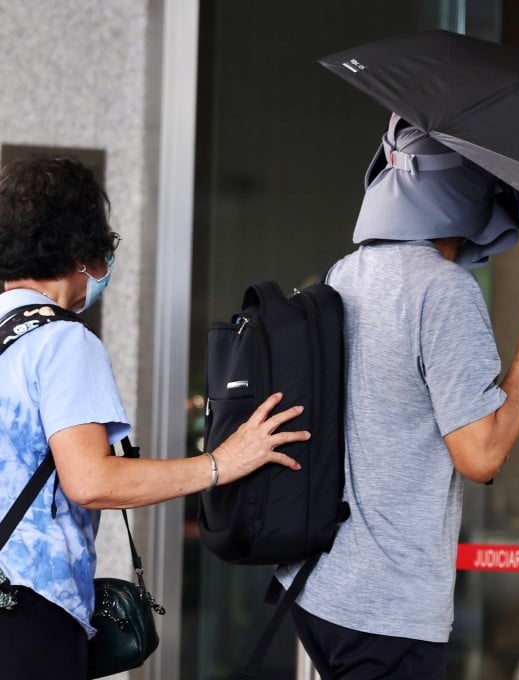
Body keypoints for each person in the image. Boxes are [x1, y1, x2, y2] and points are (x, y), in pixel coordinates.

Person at [276, 113, 519, 679]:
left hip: (319, 586)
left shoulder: (343, 272)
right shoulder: (443, 290)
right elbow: (481, 454)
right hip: (387, 606)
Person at [0, 156, 310, 679]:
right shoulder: (60, 342)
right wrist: (220, 463)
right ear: (80, 250)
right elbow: (91, 479)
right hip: (26, 608)